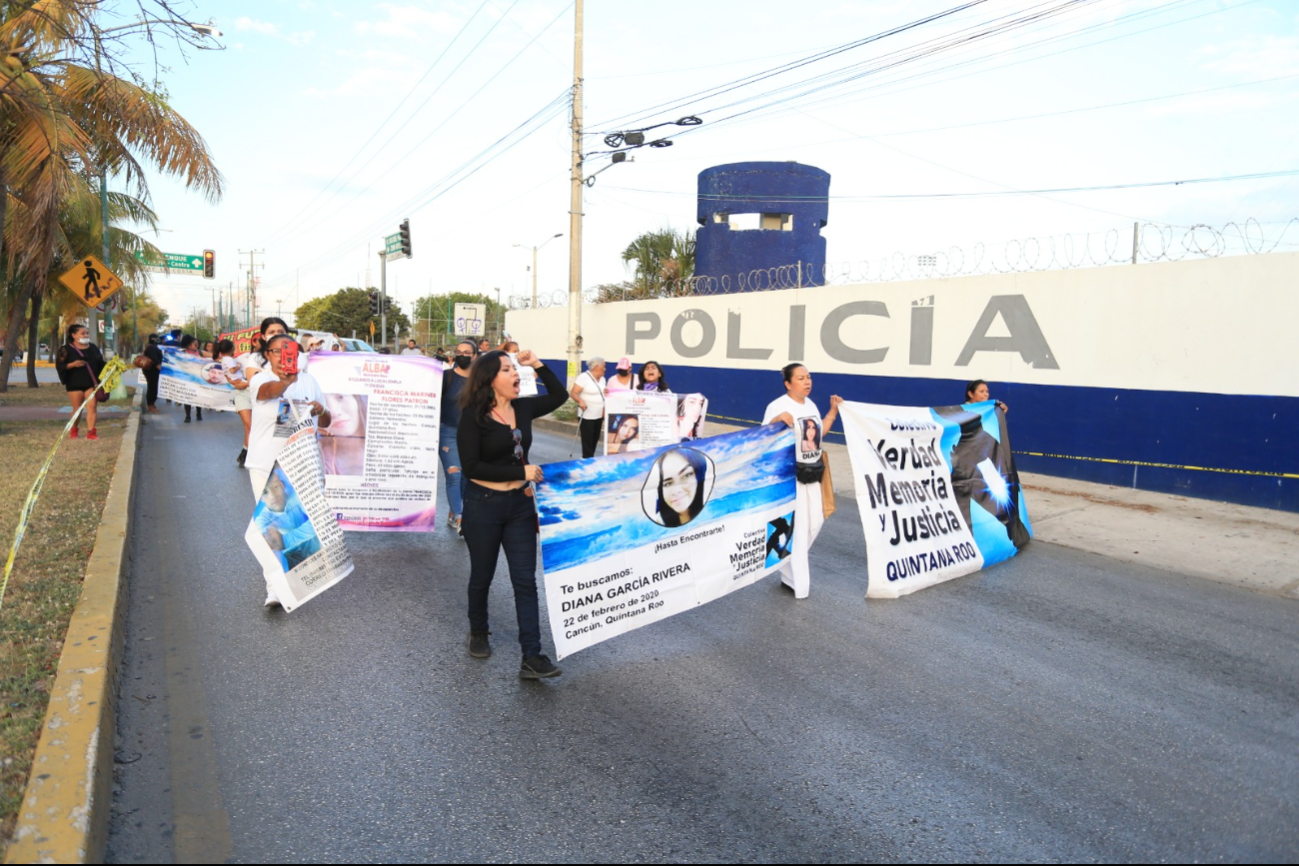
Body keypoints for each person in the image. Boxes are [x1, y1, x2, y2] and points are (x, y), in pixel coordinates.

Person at [457, 349, 567, 679]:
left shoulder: (523, 407)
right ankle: (478, 631)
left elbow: (559, 395)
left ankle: (531, 656)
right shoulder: (473, 416)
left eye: (515, 368)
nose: (515, 374)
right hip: (483, 505)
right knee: (482, 575)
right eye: (508, 370)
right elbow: (471, 466)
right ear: (490, 379)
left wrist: (537, 363)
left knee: (524, 581)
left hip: (519, 507)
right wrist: (522, 472)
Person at [246, 333, 331, 608]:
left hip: (303, 464)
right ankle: (274, 587)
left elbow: (328, 418)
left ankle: (297, 579)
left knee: (303, 523)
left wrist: (319, 410)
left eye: (289, 350)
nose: (283, 355)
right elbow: (267, 393)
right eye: (276, 351)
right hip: (267, 465)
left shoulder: (309, 380)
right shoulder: (260, 378)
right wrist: (284, 381)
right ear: (268, 354)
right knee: (270, 526)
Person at [762, 363, 843, 600]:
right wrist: (776, 420)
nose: (807, 382)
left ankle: (785, 562)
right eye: (801, 378)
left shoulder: (812, 405)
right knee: (797, 527)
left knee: (814, 522)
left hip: (814, 473)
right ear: (788, 383)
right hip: (790, 475)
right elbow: (763, 437)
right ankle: (796, 582)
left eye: (808, 377)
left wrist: (832, 413)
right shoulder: (777, 405)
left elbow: (818, 434)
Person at [439, 339, 477, 534]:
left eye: (467, 352)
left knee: (466, 477)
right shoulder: (445, 377)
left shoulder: (481, 382)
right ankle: (461, 518)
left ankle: (454, 511)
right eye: (459, 352)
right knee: (454, 475)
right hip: (448, 432)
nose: (462, 355)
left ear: (475, 356)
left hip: (472, 435)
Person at [54, 324, 106, 440]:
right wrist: (73, 364)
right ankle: (74, 430)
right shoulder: (65, 349)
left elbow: (101, 363)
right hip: (74, 384)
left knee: (92, 407)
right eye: (83, 333)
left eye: (87, 333)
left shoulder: (93, 348)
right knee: (77, 409)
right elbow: (60, 365)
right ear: (73, 335)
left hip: (91, 383)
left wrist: (112, 367)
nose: (86, 335)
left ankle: (91, 432)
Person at [215, 339, 253, 466]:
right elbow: (232, 374)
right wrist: (244, 381)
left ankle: (245, 453)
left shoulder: (263, 360)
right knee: (249, 425)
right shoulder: (239, 359)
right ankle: (246, 455)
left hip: (254, 393)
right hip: (241, 393)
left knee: (253, 427)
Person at [653, 447, 708, 527]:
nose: (677, 490)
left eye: (686, 475)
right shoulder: (657, 523)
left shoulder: (715, 507)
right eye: (667, 484)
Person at [569, 356, 606, 459]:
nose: (605, 369)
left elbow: (603, 394)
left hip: (598, 414)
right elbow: (574, 393)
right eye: (603, 366)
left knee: (595, 439)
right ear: (596, 367)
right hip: (587, 414)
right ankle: (587, 460)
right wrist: (580, 401)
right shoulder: (584, 377)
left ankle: (590, 458)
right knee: (588, 441)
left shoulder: (602, 379)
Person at [242, 317, 289, 386]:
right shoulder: (256, 358)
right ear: (264, 336)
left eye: (281, 332)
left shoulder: (298, 356)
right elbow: (254, 384)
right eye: (271, 332)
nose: (276, 335)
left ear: (286, 334)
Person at [178, 335, 203, 423]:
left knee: (198, 396)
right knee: (187, 397)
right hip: (186, 378)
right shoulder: (182, 353)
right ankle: (188, 416)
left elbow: (212, 357)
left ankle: (198, 413)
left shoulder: (199, 352)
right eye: (194, 343)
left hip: (198, 378)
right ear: (188, 344)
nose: (197, 345)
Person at [141, 334, 163, 413]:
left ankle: (152, 404)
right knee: (152, 388)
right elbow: (154, 359)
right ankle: (150, 405)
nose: (158, 340)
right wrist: (159, 367)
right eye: (157, 339)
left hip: (153, 371)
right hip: (151, 371)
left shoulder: (152, 347)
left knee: (153, 387)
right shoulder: (151, 348)